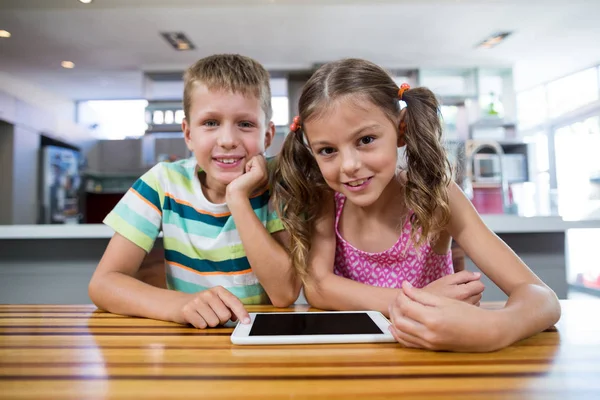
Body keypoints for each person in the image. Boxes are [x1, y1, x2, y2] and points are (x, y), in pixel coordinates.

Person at [272, 58, 560, 352]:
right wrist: (411, 300)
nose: (349, 165)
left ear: (400, 129)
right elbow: (319, 287)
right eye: (328, 150)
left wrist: (495, 329)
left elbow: (542, 297)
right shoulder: (327, 200)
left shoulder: (436, 195)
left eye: (366, 139)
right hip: (353, 361)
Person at [89, 54, 300, 329]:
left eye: (245, 124)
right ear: (188, 133)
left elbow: (284, 293)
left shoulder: (281, 182)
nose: (227, 140)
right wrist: (178, 305)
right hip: (192, 341)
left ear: (268, 136)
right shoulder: (162, 182)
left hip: (261, 344)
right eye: (211, 122)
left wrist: (237, 198)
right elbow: (104, 283)